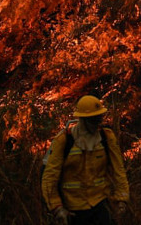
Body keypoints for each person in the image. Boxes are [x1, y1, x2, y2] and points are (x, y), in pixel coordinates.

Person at [42, 95, 130, 224]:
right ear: (82, 119)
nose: (96, 124)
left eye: (98, 119)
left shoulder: (106, 137)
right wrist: (57, 208)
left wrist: (122, 199)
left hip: (100, 205)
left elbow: (119, 170)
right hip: (73, 209)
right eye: (92, 120)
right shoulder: (64, 140)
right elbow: (50, 176)